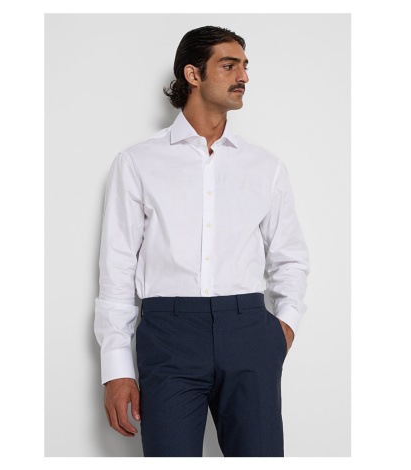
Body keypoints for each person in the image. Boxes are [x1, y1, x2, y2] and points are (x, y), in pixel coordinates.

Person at [94, 25, 310, 457]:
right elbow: (117, 267)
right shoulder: (137, 162)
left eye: (245, 66)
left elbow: (289, 258)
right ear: (193, 74)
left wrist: (282, 329)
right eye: (229, 66)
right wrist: (116, 367)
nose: (243, 76)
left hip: (249, 331)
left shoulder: (264, 166)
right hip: (168, 335)